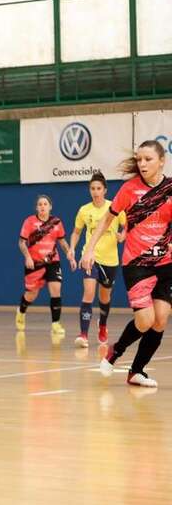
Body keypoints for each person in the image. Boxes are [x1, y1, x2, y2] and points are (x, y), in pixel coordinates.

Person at [81, 140, 172, 388]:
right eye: (139, 159)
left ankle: (136, 371)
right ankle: (115, 351)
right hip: (137, 263)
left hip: (165, 263)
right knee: (145, 320)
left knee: (160, 320)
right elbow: (106, 220)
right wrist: (89, 249)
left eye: (148, 159)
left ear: (161, 161)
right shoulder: (129, 189)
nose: (142, 164)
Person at [67, 172, 126, 348]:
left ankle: (103, 325)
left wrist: (123, 235)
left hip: (110, 260)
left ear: (105, 190)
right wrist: (72, 248)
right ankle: (83, 334)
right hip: (90, 257)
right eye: (92, 188)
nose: (95, 191)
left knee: (104, 297)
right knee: (89, 293)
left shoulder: (114, 208)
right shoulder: (84, 210)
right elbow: (76, 232)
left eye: (99, 188)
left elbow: (127, 225)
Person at [15, 195, 75, 338]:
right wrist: (27, 257)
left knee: (56, 289)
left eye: (45, 204)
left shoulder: (56, 222)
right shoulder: (29, 221)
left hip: (52, 262)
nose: (42, 206)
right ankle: (21, 311)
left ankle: (56, 324)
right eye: (40, 204)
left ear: (50, 206)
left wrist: (70, 255)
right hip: (35, 263)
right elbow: (21, 243)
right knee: (31, 294)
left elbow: (62, 242)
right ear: (37, 208)